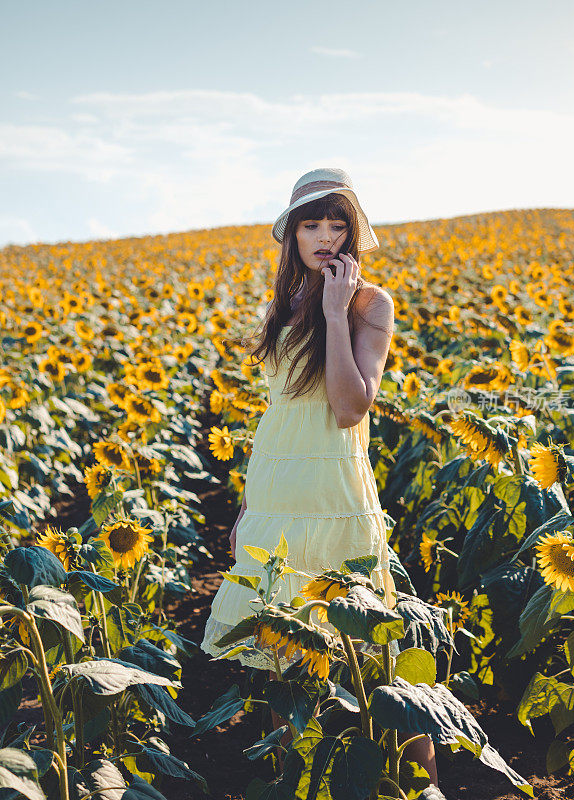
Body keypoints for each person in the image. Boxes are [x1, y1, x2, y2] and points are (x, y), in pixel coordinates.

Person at [200, 167, 438, 787]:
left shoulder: (368, 303)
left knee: (369, 644)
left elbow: (350, 406)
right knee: (284, 644)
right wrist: (250, 509)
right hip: (279, 489)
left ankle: (421, 782)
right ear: (293, 234)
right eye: (313, 224)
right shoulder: (287, 300)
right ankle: (303, 775)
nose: (326, 236)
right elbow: (280, 416)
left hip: (333, 488)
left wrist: (337, 316)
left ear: (354, 231)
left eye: (338, 224)